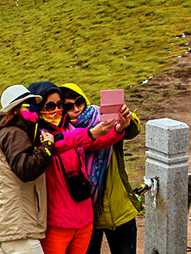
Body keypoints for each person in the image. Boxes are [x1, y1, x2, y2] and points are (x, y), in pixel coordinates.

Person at [0, 84, 100, 254]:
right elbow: (26, 169)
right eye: (28, 106)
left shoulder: (10, 132)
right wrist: (47, 148)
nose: (33, 111)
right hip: (19, 228)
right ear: (14, 110)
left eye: (34, 106)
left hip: (16, 226)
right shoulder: (14, 133)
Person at [27, 81, 125, 254]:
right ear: (38, 108)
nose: (56, 109)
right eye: (49, 106)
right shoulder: (37, 137)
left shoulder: (71, 128)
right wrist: (90, 133)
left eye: (59, 105)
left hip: (85, 221)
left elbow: (97, 142)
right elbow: (61, 143)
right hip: (56, 223)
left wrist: (118, 128)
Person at [53, 83, 141, 254]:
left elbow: (132, 131)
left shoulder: (103, 117)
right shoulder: (65, 135)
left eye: (79, 102)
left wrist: (125, 120)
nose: (77, 109)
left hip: (118, 207)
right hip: (85, 215)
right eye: (69, 106)